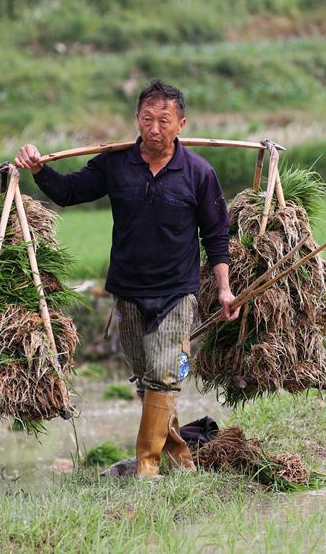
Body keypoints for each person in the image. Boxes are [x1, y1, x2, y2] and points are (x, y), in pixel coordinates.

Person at [14, 80, 239, 478]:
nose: (154, 128)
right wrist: (39, 170)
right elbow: (68, 192)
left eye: (164, 121)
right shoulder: (115, 164)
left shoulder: (199, 173)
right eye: (147, 119)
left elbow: (217, 237)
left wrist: (223, 288)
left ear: (181, 124)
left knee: (166, 376)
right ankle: (181, 461)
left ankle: (146, 472)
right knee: (147, 380)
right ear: (137, 119)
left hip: (176, 292)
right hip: (128, 292)